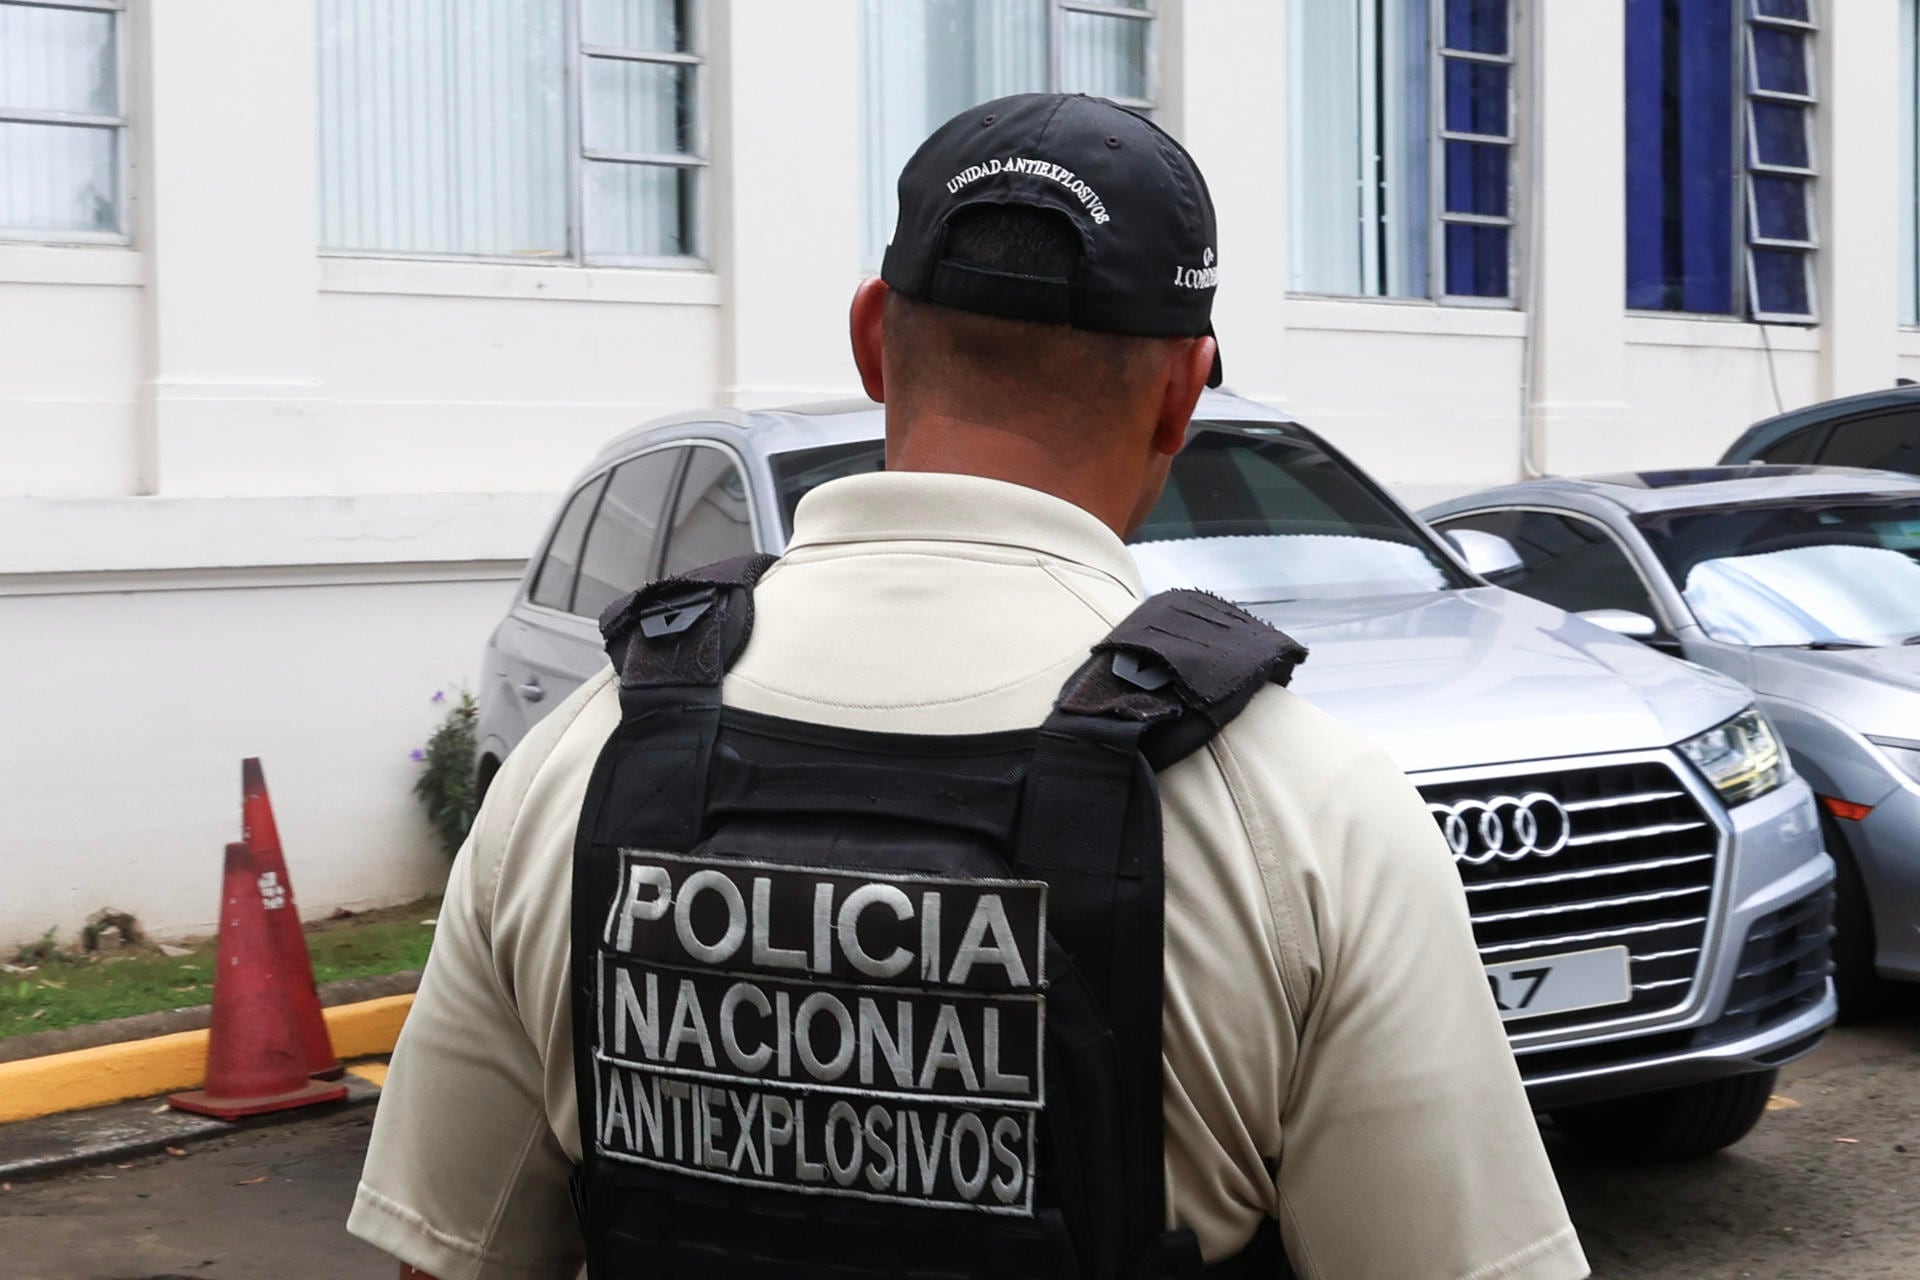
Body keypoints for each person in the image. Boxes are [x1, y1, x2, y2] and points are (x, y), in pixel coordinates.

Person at [349, 92, 1588, 1280]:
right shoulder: (1308, 814)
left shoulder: (576, 765)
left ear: (871, 340)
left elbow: (450, 1248)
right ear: (1182, 390)